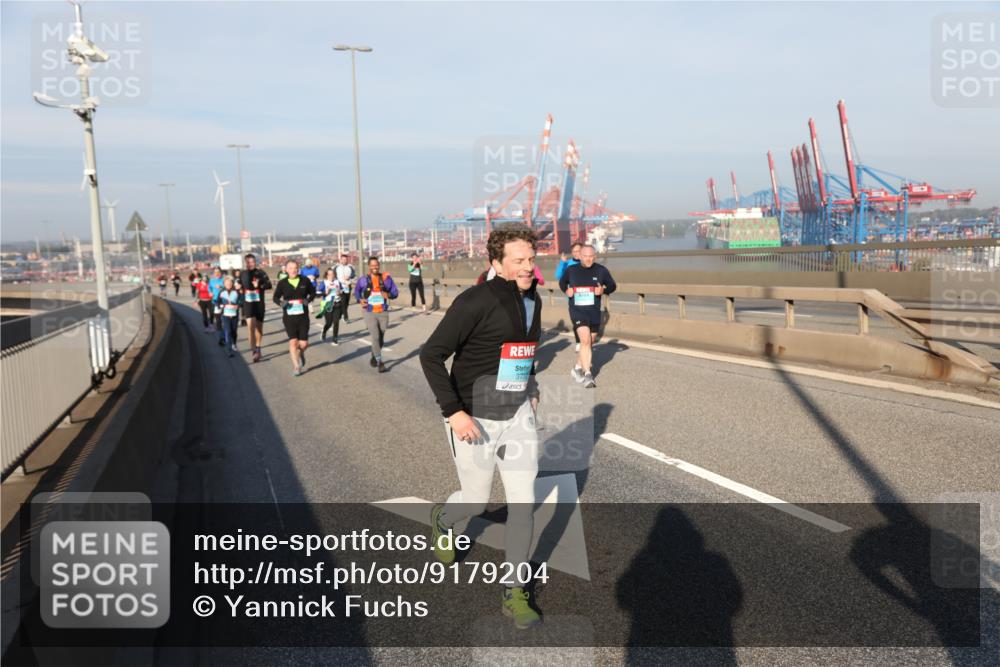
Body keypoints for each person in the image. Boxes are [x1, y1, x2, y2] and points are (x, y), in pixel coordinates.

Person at [419, 223, 543, 630]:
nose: (528, 267)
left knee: (523, 503)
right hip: (474, 416)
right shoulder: (474, 302)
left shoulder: (533, 299)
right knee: (476, 502)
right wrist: (454, 412)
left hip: (517, 416)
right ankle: (444, 518)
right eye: (519, 261)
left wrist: (532, 386)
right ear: (497, 263)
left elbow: (524, 349)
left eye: (531, 259)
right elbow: (431, 355)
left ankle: (514, 591)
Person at [558, 244, 616, 388]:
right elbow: (562, 282)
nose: (588, 259)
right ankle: (588, 374)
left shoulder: (601, 271)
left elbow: (612, 286)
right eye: (585, 256)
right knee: (584, 340)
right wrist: (567, 291)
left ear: (595, 256)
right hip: (577, 310)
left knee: (589, 342)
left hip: (594, 311)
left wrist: (602, 290)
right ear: (580, 256)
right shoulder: (571, 270)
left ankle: (577, 368)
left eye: (591, 256)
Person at [353, 256, 399, 373]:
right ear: (369, 267)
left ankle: (374, 355)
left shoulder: (386, 279)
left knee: (381, 337)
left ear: (379, 265)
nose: (375, 267)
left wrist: (388, 295)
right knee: (375, 337)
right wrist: (360, 300)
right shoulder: (363, 280)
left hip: (383, 311)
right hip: (369, 311)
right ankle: (380, 362)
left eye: (376, 265)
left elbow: (395, 292)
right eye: (372, 265)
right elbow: (357, 291)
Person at [272, 259, 315, 376]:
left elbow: (313, 292)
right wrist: (281, 303)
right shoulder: (282, 283)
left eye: (295, 268)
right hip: (289, 317)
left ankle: (300, 353)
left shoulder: (304, 280)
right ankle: (296, 366)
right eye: (290, 268)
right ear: (286, 269)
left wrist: (308, 300)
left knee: (304, 344)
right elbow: (275, 297)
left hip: (303, 317)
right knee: (293, 342)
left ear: (298, 269)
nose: (293, 270)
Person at [239, 254, 273, 363]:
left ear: (255, 262)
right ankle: (254, 351)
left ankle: (258, 347)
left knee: (259, 329)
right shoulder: (242, 274)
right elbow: (238, 285)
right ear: (245, 263)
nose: (250, 264)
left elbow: (269, 285)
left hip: (259, 304)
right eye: (248, 262)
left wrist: (259, 285)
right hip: (248, 304)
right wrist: (238, 288)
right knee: (250, 328)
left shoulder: (261, 273)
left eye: (252, 262)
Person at [555, 243, 583, 351]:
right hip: (573, 298)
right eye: (574, 251)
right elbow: (558, 276)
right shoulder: (568, 264)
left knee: (587, 321)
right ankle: (578, 342)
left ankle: (586, 340)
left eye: (579, 251)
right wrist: (562, 262)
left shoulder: (587, 262)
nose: (577, 253)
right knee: (576, 321)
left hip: (587, 297)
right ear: (572, 253)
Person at [316, 268, 346, 344]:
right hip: (328, 304)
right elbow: (317, 294)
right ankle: (324, 331)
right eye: (329, 274)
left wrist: (340, 292)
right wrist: (326, 293)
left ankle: (335, 339)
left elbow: (343, 291)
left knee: (336, 322)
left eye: (333, 274)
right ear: (326, 275)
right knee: (329, 323)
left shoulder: (337, 282)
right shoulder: (324, 283)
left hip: (337, 304)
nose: (331, 276)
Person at [215, 276, 242, 357]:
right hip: (225, 315)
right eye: (227, 283)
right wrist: (222, 306)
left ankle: (234, 343)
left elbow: (241, 301)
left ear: (232, 283)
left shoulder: (236, 292)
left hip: (234, 315)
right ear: (224, 284)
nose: (228, 284)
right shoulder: (221, 292)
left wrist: (238, 305)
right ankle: (229, 350)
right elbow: (217, 302)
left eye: (230, 283)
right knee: (228, 331)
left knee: (234, 331)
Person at [334, 254, 356, 323]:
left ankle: (341, 315)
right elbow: (333, 276)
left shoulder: (350, 267)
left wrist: (349, 277)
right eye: (343, 259)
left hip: (348, 287)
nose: (344, 261)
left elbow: (354, 275)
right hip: (340, 287)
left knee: (346, 303)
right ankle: (346, 318)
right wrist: (336, 286)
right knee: (343, 302)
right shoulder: (336, 267)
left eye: (346, 259)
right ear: (340, 260)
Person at [208, 267, 227, 347]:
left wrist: (221, 287)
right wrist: (210, 293)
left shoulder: (224, 280)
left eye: (218, 272)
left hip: (224, 302)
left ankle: (227, 336)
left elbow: (228, 288)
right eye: (215, 272)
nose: (217, 273)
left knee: (225, 321)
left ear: (221, 272)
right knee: (218, 321)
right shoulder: (211, 281)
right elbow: (209, 288)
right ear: (213, 273)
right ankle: (221, 338)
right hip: (215, 302)